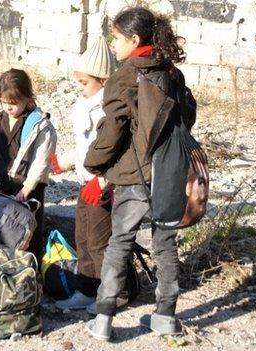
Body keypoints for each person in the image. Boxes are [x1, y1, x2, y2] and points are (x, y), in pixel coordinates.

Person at [84, 6, 192, 341]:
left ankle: (103, 319)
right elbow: (187, 117)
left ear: (134, 39)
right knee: (166, 243)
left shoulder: (125, 75)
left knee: (120, 242)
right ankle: (165, 316)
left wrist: (95, 164)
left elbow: (113, 130)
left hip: (133, 176)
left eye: (115, 37)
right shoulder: (172, 74)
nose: (111, 44)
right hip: (170, 170)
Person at [49, 36, 115, 310]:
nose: (80, 88)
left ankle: (108, 294)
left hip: (101, 187)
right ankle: (86, 289)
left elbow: (114, 153)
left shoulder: (108, 111)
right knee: (83, 238)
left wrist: (102, 181)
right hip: (85, 183)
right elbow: (85, 147)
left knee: (99, 242)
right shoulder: (87, 106)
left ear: (103, 80)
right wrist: (64, 162)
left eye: (84, 83)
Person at [0, 68, 57, 262]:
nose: (8, 108)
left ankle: (31, 270)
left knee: (30, 231)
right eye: (4, 102)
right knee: (3, 229)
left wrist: (28, 188)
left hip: (29, 186)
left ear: (27, 98)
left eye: (13, 103)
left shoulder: (39, 125)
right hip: (2, 183)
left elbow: (42, 159)